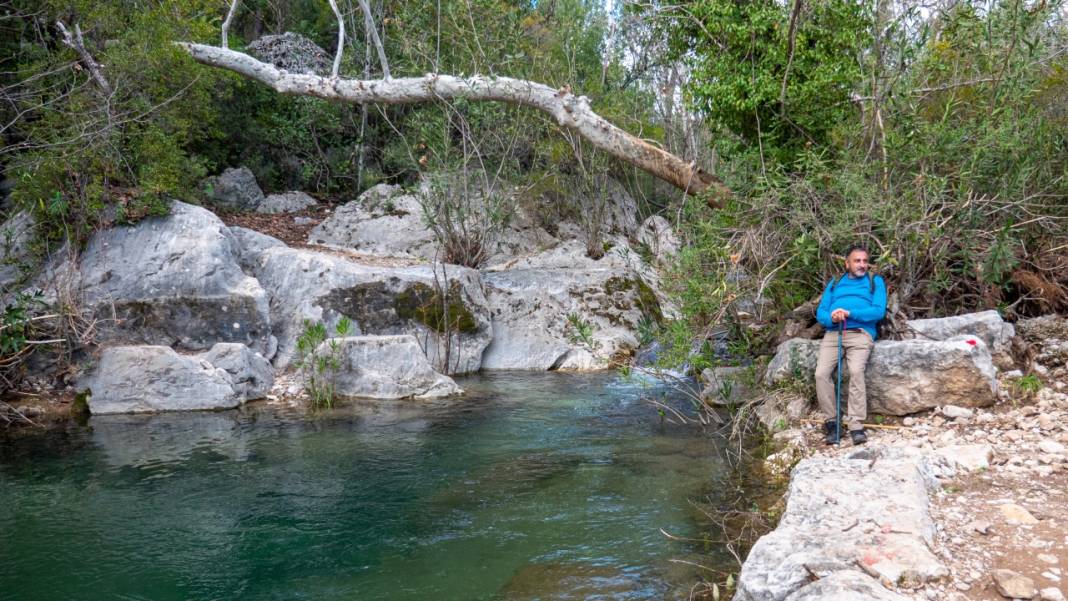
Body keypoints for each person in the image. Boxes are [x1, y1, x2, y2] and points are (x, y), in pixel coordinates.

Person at [814, 244, 887, 445]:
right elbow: (821, 312)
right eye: (857, 261)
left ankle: (856, 425)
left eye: (865, 261)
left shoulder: (875, 282)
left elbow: (878, 311)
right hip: (834, 333)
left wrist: (850, 314)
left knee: (856, 371)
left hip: (860, 334)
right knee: (821, 374)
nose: (862, 265)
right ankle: (832, 423)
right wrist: (833, 317)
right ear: (847, 263)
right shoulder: (835, 283)